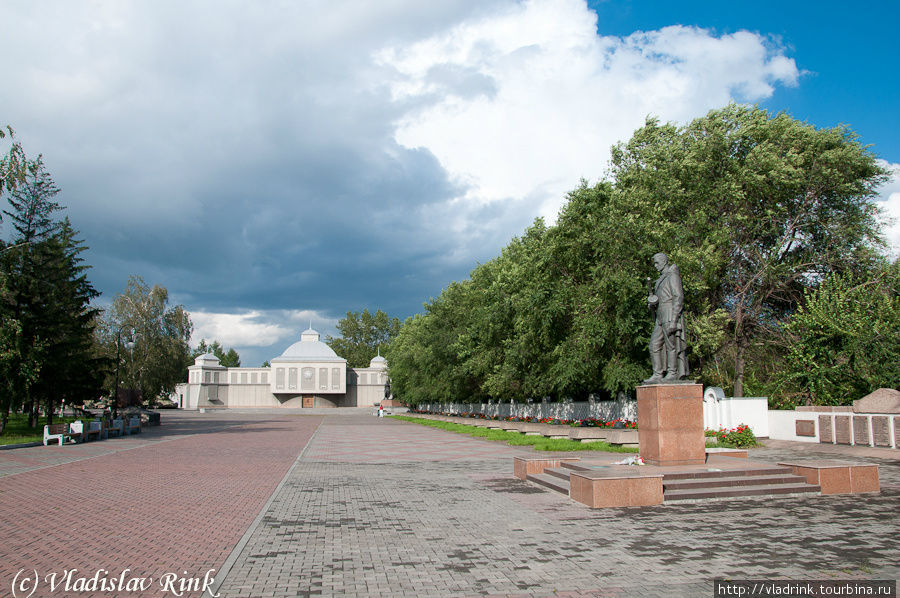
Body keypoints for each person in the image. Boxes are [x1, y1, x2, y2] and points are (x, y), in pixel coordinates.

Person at [643, 252, 689, 383]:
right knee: (653, 345)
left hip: (670, 313)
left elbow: (678, 297)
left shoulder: (672, 276)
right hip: (660, 315)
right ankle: (657, 373)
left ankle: (672, 372)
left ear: (664, 261)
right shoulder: (661, 279)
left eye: (657, 263)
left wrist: (674, 320)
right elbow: (660, 298)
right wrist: (652, 303)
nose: (656, 266)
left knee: (671, 346)